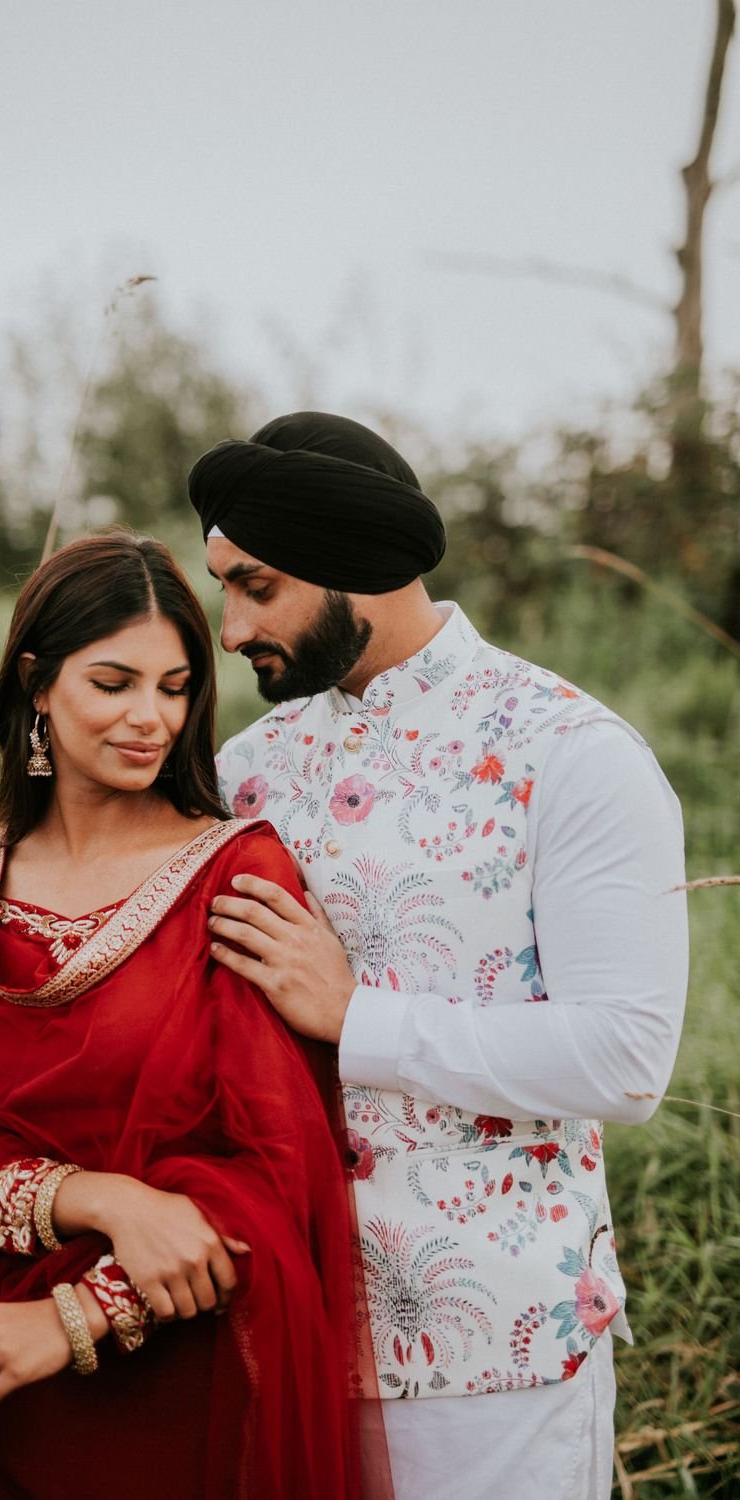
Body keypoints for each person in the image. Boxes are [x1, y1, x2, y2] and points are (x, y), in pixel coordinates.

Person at [189, 411, 689, 1500]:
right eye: (224, 588)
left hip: (496, 1358)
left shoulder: (570, 753)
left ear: (353, 561)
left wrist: (356, 1018)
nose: (230, 630)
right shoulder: (243, 770)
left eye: (257, 587)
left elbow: (625, 1059)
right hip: (280, 1334)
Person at [0, 531, 366, 1500]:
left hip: (190, 1389)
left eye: (175, 689)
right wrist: (104, 1201)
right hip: (2, 1382)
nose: (152, 718)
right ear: (36, 683)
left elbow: (278, 1173)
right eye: (113, 683)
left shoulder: (235, 877)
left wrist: (74, 1318)